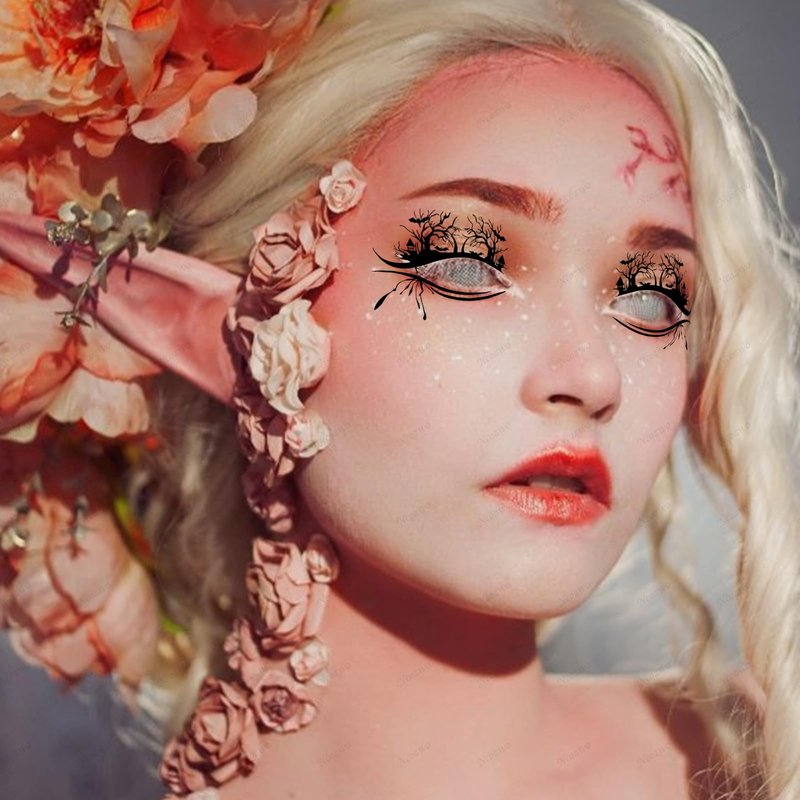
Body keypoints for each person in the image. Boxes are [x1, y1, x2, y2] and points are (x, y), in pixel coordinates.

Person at [0, 1, 796, 799]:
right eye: (465, 264)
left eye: (654, 296)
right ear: (212, 320)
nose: (595, 378)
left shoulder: (758, 759)